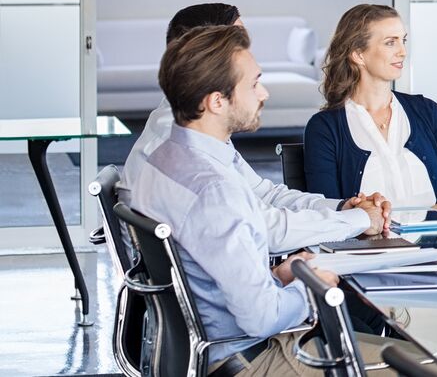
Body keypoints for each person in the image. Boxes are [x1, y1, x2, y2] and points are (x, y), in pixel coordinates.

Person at [128, 25, 415, 374]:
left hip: (205, 349)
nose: (263, 93)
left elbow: (221, 260)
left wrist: (280, 277)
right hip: (252, 360)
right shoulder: (215, 189)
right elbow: (261, 318)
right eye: (253, 84)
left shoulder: (163, 159)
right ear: (216, 101)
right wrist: (315, 285)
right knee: (422, 366)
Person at [119, 3, 386, 251]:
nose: (248, 54)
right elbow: (263, 229)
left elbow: (262, 194)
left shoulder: (194, 128)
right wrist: (357, 220)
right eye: (239, 43)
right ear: (208, 55)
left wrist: (341, 208)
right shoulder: (182, 147)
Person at [304, 4, 437, 209]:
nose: (403, 52)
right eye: (390, 43)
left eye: (403, 40)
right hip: (368, 242)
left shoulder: (428, 112)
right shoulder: (325, 128)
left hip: (432, 241)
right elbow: (326, 211)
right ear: (358, 54)